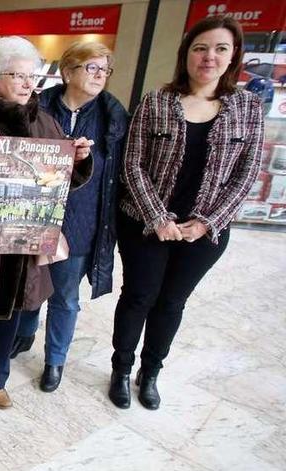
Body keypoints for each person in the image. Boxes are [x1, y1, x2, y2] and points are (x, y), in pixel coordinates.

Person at [109, 16, 263, 410]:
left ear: (233, 57)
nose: (209, 57)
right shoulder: (157, 102)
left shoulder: (246, 107)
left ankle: (151, 371)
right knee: (139, 296)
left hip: (205, 233)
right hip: (146, 224)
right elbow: (132, 164)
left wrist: (207, 222)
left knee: (172, 302)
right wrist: (158, 218)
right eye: (200, 48)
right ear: (186, 55)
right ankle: (122, 369)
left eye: (220, 49)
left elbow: (245, 175)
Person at [0, 36, 92, 414]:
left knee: (11, 308)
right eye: (18, 75)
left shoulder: (46, 122)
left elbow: (64, 181)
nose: (29, 83)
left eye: (32, 75)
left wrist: (79, 159)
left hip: (26, 238)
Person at [9, 41, 129, 392]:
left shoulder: (112, 116)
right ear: (68, 71)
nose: (99, 76)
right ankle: (26, 332)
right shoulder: (37, 105)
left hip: (81, 221)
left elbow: (116, 173)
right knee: (30, 284)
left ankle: (55, 361)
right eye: (91, 67)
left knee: (64, 295)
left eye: (104, 70)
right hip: (35, 216)